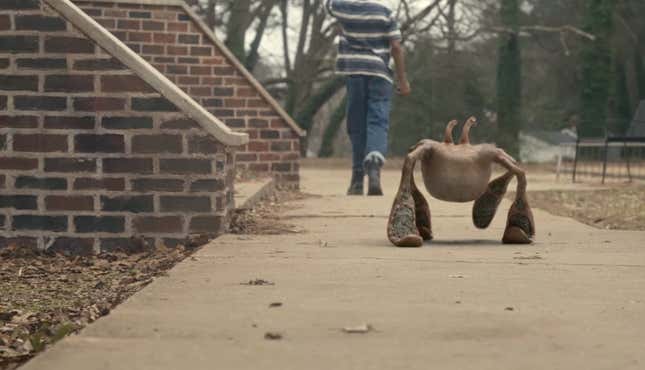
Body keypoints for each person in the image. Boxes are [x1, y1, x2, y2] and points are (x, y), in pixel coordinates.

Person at [326, 0, 411, 196]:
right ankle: (374, 168)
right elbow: (396, 47)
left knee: (357, 126)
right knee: (378, 121)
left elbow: (328, 5)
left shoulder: (342, 8)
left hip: (355, 73)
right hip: (380, 74)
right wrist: (403, 80)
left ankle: (356, 180)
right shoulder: (385, 13)